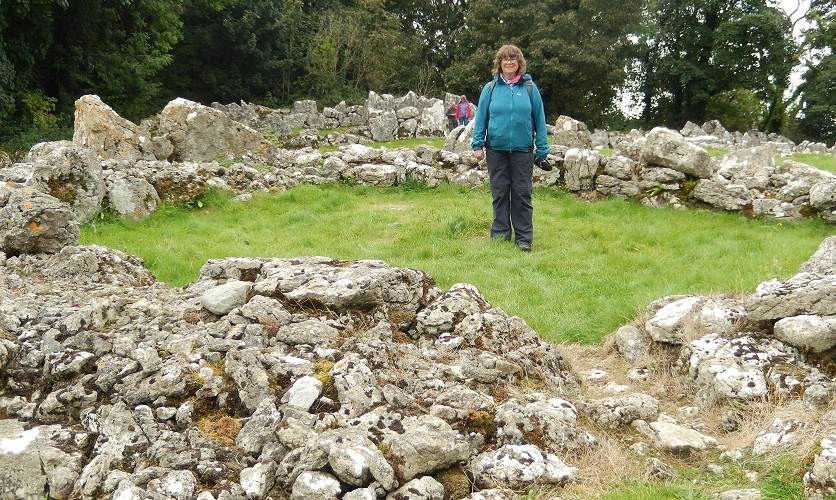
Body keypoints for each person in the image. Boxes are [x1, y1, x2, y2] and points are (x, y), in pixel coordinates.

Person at [471, 44, 548, 252]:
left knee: (522, 194)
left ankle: (524, 238)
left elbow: (539, 119)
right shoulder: (490, 88)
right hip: (496, 149)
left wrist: (542, 148)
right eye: (505, 58)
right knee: (500, 192)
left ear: (519, 62)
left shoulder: (530, 88)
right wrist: (477, 143)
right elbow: (481, 117)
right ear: (499, 63)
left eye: (513, 58)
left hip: (523, 150)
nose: (509, 62)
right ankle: (500, 234)